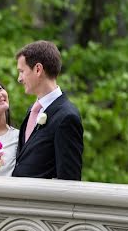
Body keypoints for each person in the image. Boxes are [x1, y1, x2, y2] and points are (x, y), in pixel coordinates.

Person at [12, 40, 83, 180]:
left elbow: (69, 178)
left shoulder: (67, 117)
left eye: (22, 71)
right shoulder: (32, 111)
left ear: (38, 69)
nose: (19, 79)